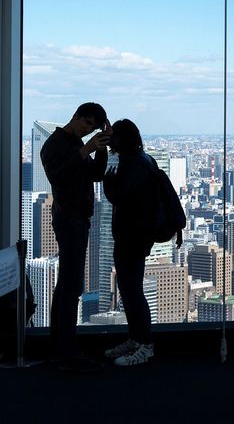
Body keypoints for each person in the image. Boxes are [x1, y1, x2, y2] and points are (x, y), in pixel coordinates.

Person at [40, 102, 110, 372]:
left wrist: (99, 149)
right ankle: (66, 351)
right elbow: (58, 177)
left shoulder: (74, 144)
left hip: (78, 219)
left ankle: (61, 346)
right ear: (75, 116)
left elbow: (94, 175)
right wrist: (85, 150)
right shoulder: (56, 144)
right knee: (71, 286)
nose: (87, 129)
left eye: (93, 126)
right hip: (68, 219)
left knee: (68, 285)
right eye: (86, 123)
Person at [101, 119, 160, 366]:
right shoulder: (144, 159)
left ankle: (144, 345)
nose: (111, 141)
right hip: (136, 235)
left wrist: (109, 186)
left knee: (132, 292)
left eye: (114, 136)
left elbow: (125, 199)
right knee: (129, 291)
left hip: (132, 236)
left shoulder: (134, 164)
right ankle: (136, 339)